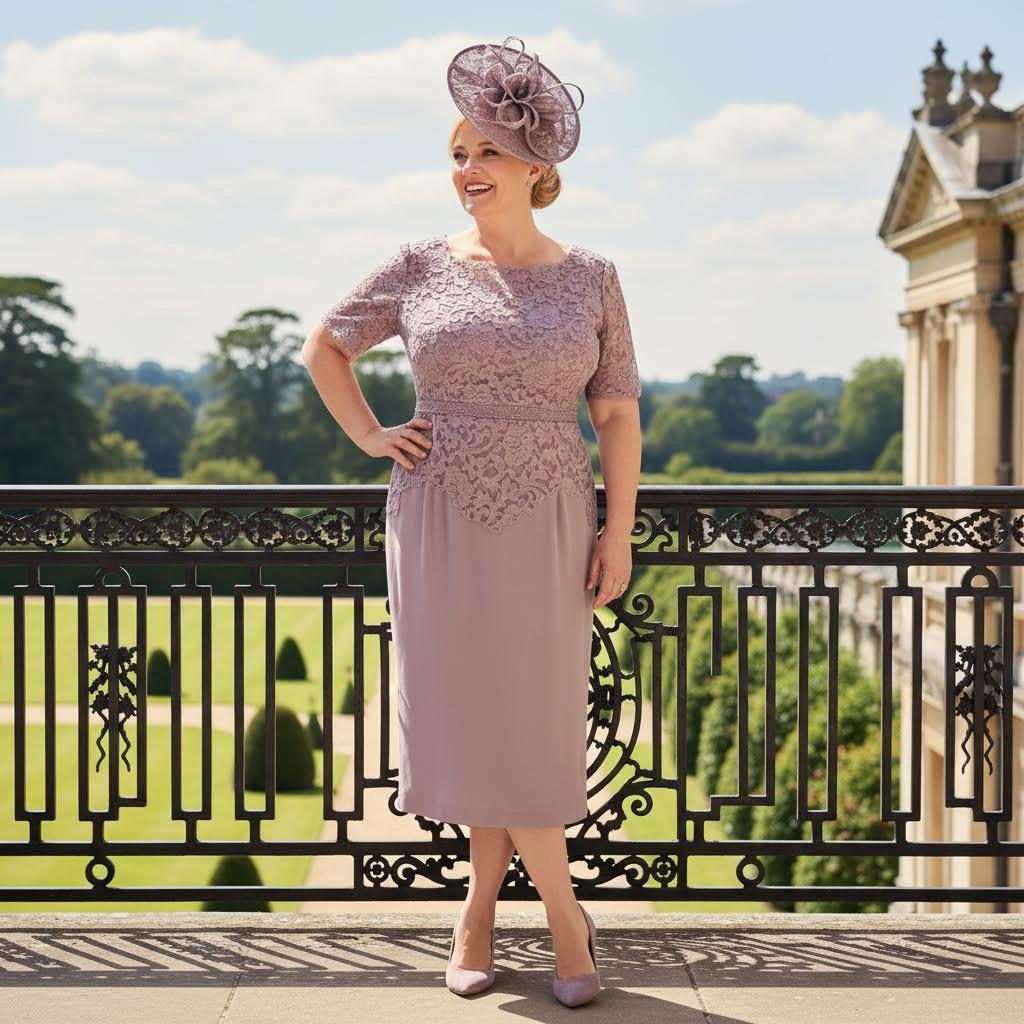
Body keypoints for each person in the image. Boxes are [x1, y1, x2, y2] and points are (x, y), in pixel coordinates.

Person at [302, 36, 642, 1007]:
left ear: (536, 167)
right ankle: (522, 913)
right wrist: (371, 433)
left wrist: (615, 532)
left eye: (484, 152)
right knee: (468, 722)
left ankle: (508, 908)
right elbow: (324, 346)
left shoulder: (593, 277)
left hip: (547, 517)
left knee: (528, 724)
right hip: (437, 514)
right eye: (456, 155)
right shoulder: (416, 264)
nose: (465, 173)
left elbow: (614, 412)